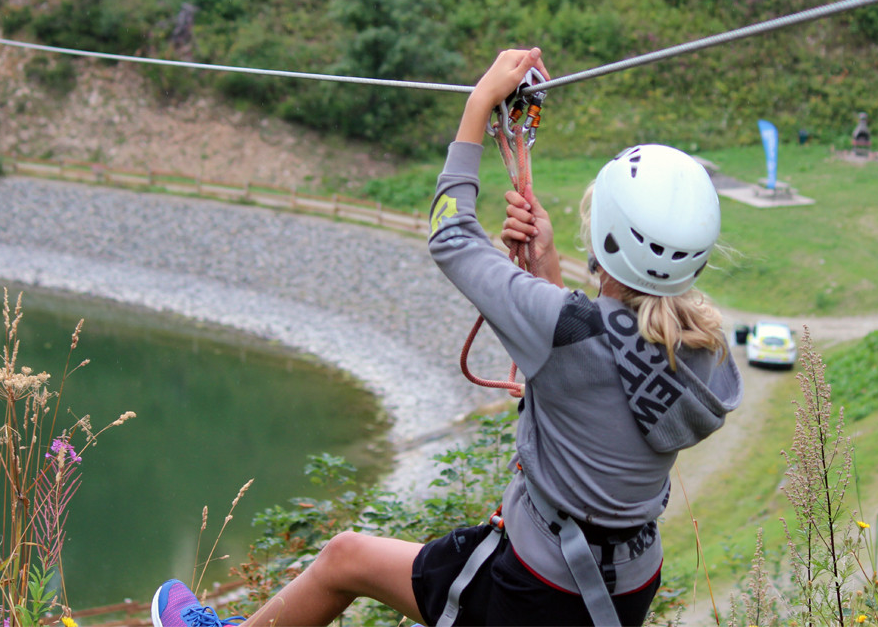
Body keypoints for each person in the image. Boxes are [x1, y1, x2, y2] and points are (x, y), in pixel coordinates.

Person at [150, 48, 743, 627]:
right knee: (353, 558)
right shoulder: (705, 352)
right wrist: (546, 273)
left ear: (605, 235)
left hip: (535, 588)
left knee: (343, 559)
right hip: (623, 588)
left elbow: (451, 236)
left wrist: (478, 104)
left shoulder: (563, 327)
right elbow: (604, 370)